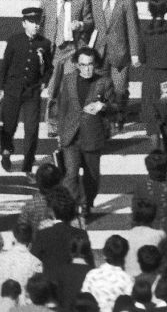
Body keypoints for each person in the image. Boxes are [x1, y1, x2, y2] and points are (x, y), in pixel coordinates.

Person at [54, 47, 116, 217]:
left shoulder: (104, 82)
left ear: (94, 64)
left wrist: (103, 106)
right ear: (77, 65)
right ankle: (75, 207)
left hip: (92, 136)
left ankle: (87, 203)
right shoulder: (68, 80)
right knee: (71, 174)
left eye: (90, 64)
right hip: (71, 136)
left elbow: (115, 107)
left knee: (92, 177)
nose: (87, 69)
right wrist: (61, 134)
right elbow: (62, 109)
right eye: (83, 65)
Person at [0, 6, 52, 176]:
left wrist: (44, 82)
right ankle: (6, 153)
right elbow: (5, 65)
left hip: (32, 93)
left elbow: (49, 68)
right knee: (9, 126)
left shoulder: (45, 44)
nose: (36, 26)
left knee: (32, 130)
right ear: (24, 23)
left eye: (37, 22)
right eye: (32, 22)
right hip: (12, 90)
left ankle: (27, 165)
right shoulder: (14, 41)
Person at [89, 0, 140, 126]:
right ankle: (105, 117)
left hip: (120, 53)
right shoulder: (94, 0)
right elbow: (90, 25)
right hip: (99, 52)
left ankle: (119, 114)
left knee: (120, 89)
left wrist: (134, 53)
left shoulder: (127, 0)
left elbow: (132, 28)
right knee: (100, 88)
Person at [139, 0, 167, 155]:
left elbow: (142, 58)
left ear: (150, 10)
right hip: (166, 77)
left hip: (150, 77)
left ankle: (155, 157)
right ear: (166, 10)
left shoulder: (145, 32)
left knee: (152, 120)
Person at [82, 234, 133, 312]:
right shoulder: (128, 279)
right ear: (124, 254)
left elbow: (84, 301)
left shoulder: (92, 275)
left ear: (104, 253)